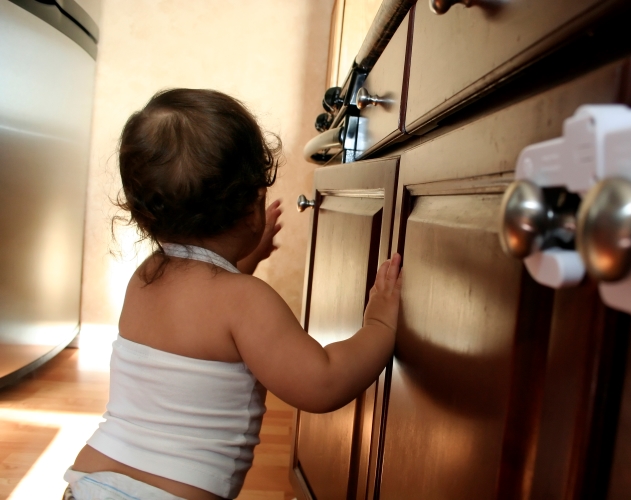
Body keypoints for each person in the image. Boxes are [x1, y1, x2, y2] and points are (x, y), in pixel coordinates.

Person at [65, 89, 402, 500]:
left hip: (90, 479)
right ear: (252, 208)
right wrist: (380, 325)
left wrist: (241, 261)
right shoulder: (247, 301)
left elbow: (203, 313)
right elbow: (323, 382)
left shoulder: (146, 276)